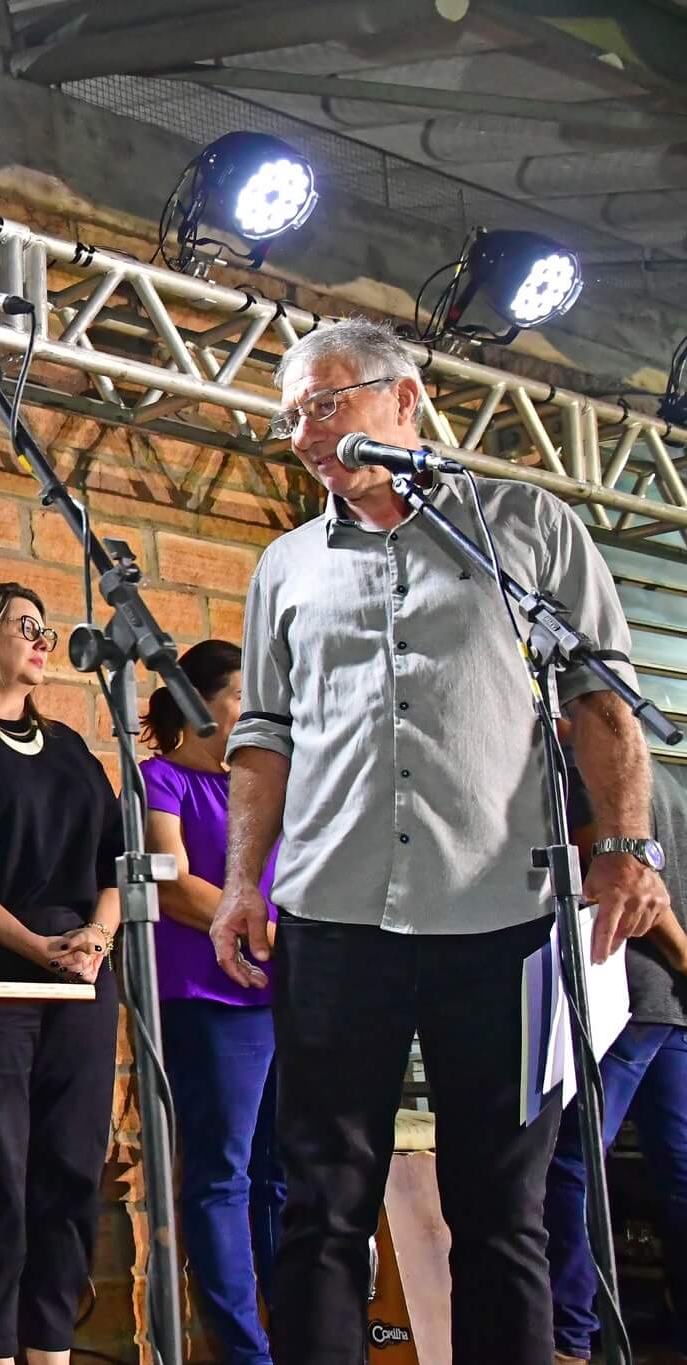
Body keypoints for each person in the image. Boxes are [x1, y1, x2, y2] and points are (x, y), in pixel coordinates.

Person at [209, 317, 668, 1365]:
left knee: (501, 1207)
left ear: (403, 399)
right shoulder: (285, 565)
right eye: (289, 417)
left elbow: (601, 694)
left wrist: (627, 843)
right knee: (320, 1201)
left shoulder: (523, 528)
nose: (304, 434)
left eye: (325, 404)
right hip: (331, 916)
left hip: (501, 914)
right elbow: (262, 735)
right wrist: (241, 883)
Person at [0, 582, 122, 1365]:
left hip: (81, 976)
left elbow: (117, 860)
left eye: (48, 628)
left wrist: (97, 937)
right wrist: (31, 944)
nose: (45, 640)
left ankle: (50, 1348)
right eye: (27, 626)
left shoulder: (73, 749)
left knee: (71, 1167)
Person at [142, 639, 284, 1365]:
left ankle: (300, 1337)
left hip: (284, 999)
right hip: (210, 1001)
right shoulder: (160, 779)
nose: (254, 711)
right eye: (239, 696)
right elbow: (171, 883)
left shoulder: (263, 786)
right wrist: (264, 931)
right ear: (197, 702)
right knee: (222, 1177)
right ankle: (245, 1351)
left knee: (282, 1177)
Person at [545, 766, 687, 1365]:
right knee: (679, 1171)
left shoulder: (589, 770)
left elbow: (621, 888)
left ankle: (568, 1339)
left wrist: (684, 958)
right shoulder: (671, 782)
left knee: (574, 1162)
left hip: (621, 994)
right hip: (669, 1007)